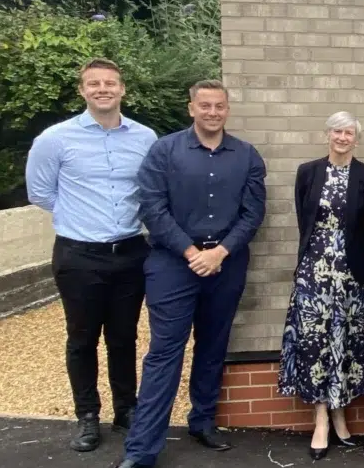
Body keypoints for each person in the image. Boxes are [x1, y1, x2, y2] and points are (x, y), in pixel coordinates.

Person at [111, 79, 267, 468]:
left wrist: (220, 253)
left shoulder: (247, 156)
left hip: (226, 263)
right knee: (165, 352)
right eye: (205, 105)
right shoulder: (164, 151)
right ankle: (142, 449)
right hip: (172, 264)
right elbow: (152, 207)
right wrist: (192, 251)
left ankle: (202, 421)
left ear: (227, 110)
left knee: (213, 345)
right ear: (191, 108)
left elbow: (253, 214)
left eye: (219, 106)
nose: (212, 112)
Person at [25, 58, 157, 452]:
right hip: (79, 255)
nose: (103, 89)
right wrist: (81, 220)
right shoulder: (56, 138)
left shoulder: (144, 138)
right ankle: (87, 416)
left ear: (122, 90)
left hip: (131, 252)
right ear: (83, 90)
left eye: (110, 83)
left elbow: (149, 190)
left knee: (124, 336)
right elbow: (40, 193)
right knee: (82, 339)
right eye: (94, 83)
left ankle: (126, 409)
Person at [277, 111, 364, 460]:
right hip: (314, 270)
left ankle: (340, 410)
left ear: (356, 137)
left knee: (346, 340)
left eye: (349, 132)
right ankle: (321, 415)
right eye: (337, 130)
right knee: (315, 340)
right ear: (328, 135)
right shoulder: (309, 172)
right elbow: (302, 218)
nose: (342, 137)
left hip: (351, 273)